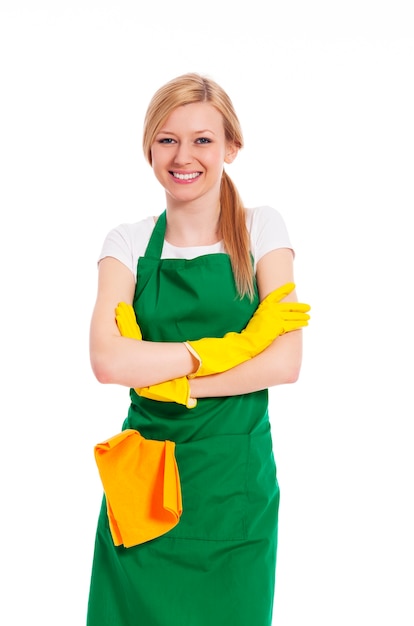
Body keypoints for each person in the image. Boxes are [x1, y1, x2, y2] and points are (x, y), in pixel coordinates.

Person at [86, 72, 310, 626]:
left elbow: (284, 362)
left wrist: (172, 378)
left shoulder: (263, 229)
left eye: (202, 139)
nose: (184, 156)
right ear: (149, 149)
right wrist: (235, 347)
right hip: (146, 488)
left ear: (231, 147)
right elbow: (108, 361)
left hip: (234, 486)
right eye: (167, 139)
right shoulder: (128, 242)